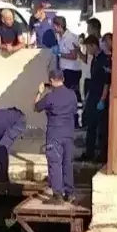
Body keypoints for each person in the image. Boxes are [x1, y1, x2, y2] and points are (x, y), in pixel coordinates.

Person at [35, 69, 77, 205]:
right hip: (69, 133)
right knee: (67, 163)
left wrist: (39, 92)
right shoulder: (72, 95)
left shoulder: (50, 97)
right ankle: (70, 193)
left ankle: (57, 196)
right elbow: (74, 110)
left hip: (55, 134)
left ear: (51, 80)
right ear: (63, 79)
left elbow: (36, 107)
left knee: (55, 164)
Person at [78, 35, 111, 162]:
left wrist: (102, 99)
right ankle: (89, 152)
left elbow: (106, 82)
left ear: (94, 45)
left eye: (88, 47)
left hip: (100, 96)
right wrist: (87, 97)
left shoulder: (104, 60)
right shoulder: (94, 60)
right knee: (91, 125)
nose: (87, 51)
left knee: (101, 127)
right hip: (92, 95)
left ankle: (102, 155)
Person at [52, 16, 83, 126]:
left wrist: (60, 54)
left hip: (72, 71)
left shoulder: (70, 38)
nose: (53, 28)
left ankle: (76, 121)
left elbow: (73, 56)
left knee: (72, 97)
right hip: (65, 69)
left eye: (54, 26)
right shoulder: (59, 36)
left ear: (59, 26)